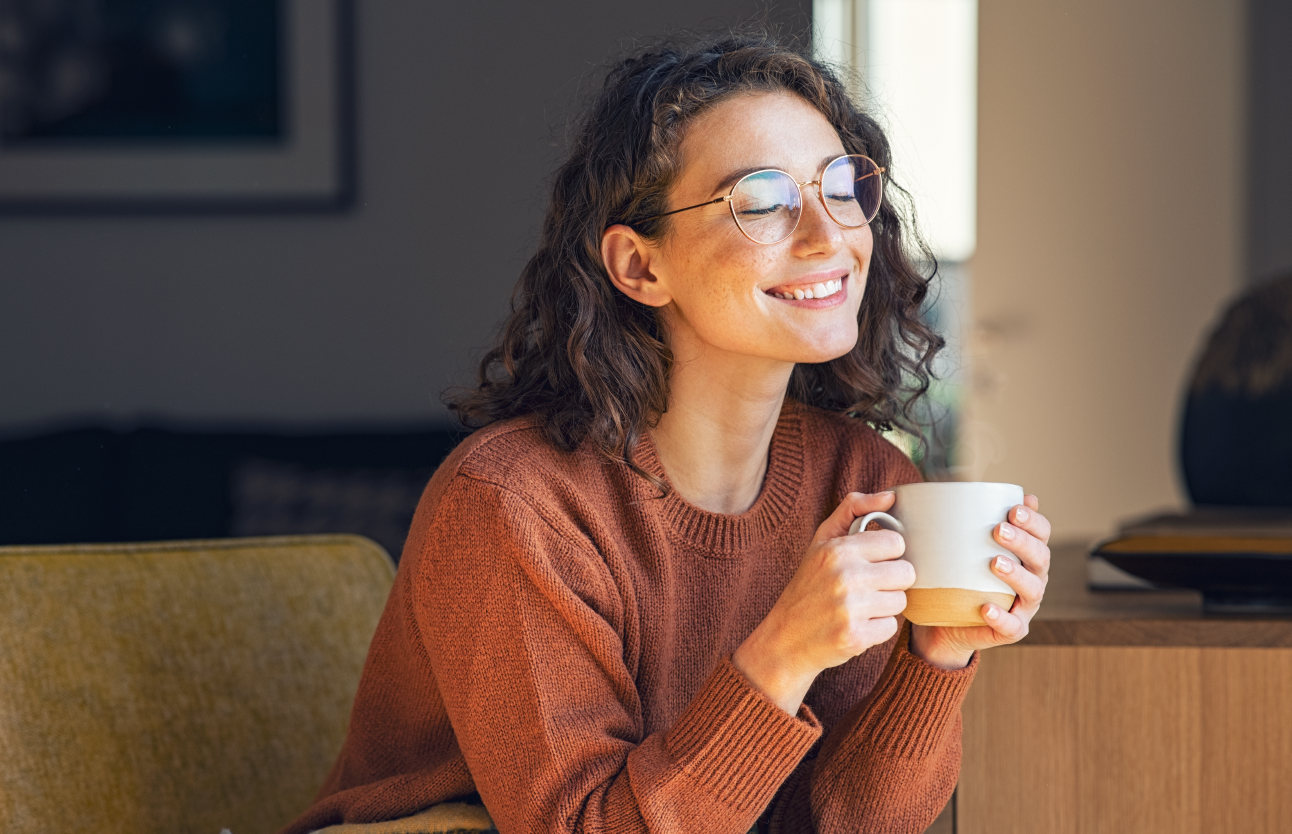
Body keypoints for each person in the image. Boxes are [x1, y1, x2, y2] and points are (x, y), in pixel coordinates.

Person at [283, 31, 1051, 834]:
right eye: (761, 202)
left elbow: (845, 823)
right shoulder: (516, 505)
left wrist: (938, 654)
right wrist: (782, 652)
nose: (830, 238)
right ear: (639, 267)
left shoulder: (863, 476)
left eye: (841, 187)